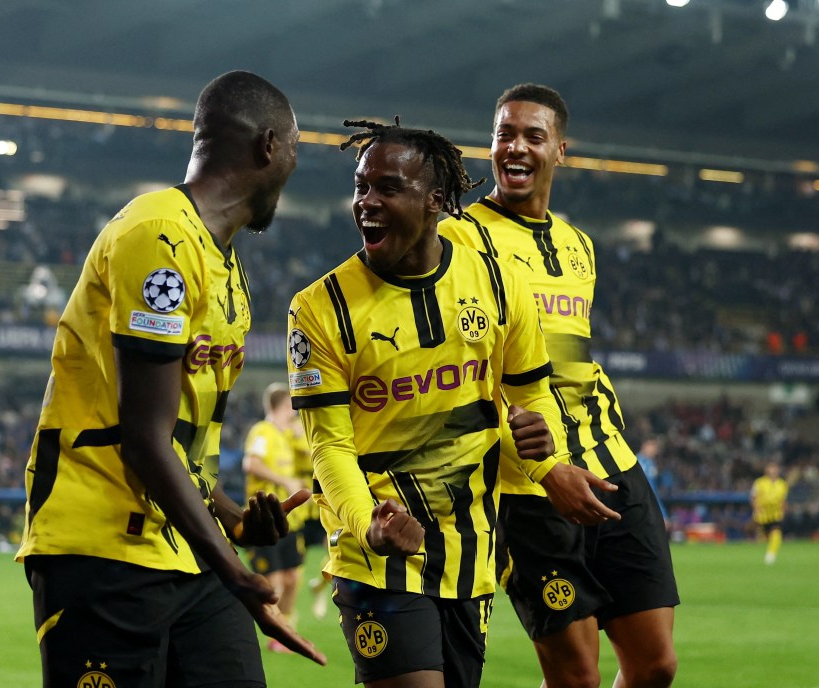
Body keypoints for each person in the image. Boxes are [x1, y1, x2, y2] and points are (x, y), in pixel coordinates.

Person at [15, 71, 325, 688]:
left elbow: (179, 447)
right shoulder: (159, 237)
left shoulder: (225, 266)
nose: (294, 167)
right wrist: (236, 571)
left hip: (183, 550)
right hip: (102, 552)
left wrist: (234, 520)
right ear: (268, 145)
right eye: (295, 148)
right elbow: (143, 438)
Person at [287, 118, 618, 688]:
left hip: (472, 557)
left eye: (387, 188)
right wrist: (368, 523)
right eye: (361, 187)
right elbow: (329, 445)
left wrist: (539, 453)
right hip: (377, 555)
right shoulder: (320, 308)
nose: (366, 202)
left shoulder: (496, 279)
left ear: (437, 200)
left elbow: (528, 389)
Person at [439, 84, 679, 688]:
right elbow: (462, 370)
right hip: (526, 483)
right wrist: (547, 468)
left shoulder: (579, 246)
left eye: (533, 136)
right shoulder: (459, 239)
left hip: (611, 463)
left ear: (561, 151)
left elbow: (573, 358)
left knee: (654, 666)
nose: (515, 147)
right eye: (504, 135)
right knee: (577, 679)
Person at [242, 382, 307, 652]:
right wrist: (284, 480)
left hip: (291, 520)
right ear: (285, 405)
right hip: (265, 519)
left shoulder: (286, 436)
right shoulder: (262, 432)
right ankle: (277, 635)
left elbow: (311, 453)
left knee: (293, 578)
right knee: (275, 580)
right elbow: (251, 463)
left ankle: (287, 626)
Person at [751, 461, 788, 564]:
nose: (773, 470)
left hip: (775, 515)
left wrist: (783, 510)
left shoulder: (782, 484)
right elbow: (753, 497)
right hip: (762, 516)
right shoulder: (759, 483)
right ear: (766, 470)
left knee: (776, 534)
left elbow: (783, 500)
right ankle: (760, 558)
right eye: (771, 468)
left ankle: (770, 555)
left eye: (775, 468)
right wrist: (756, 509)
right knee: (762, 540)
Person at [636, 438, 669, 524]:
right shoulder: (637, 462)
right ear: (645, 445)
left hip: (648, 505)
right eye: (653, 447)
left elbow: (653, 491)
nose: (655, 451)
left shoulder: (650, 463)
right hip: (640, 505)